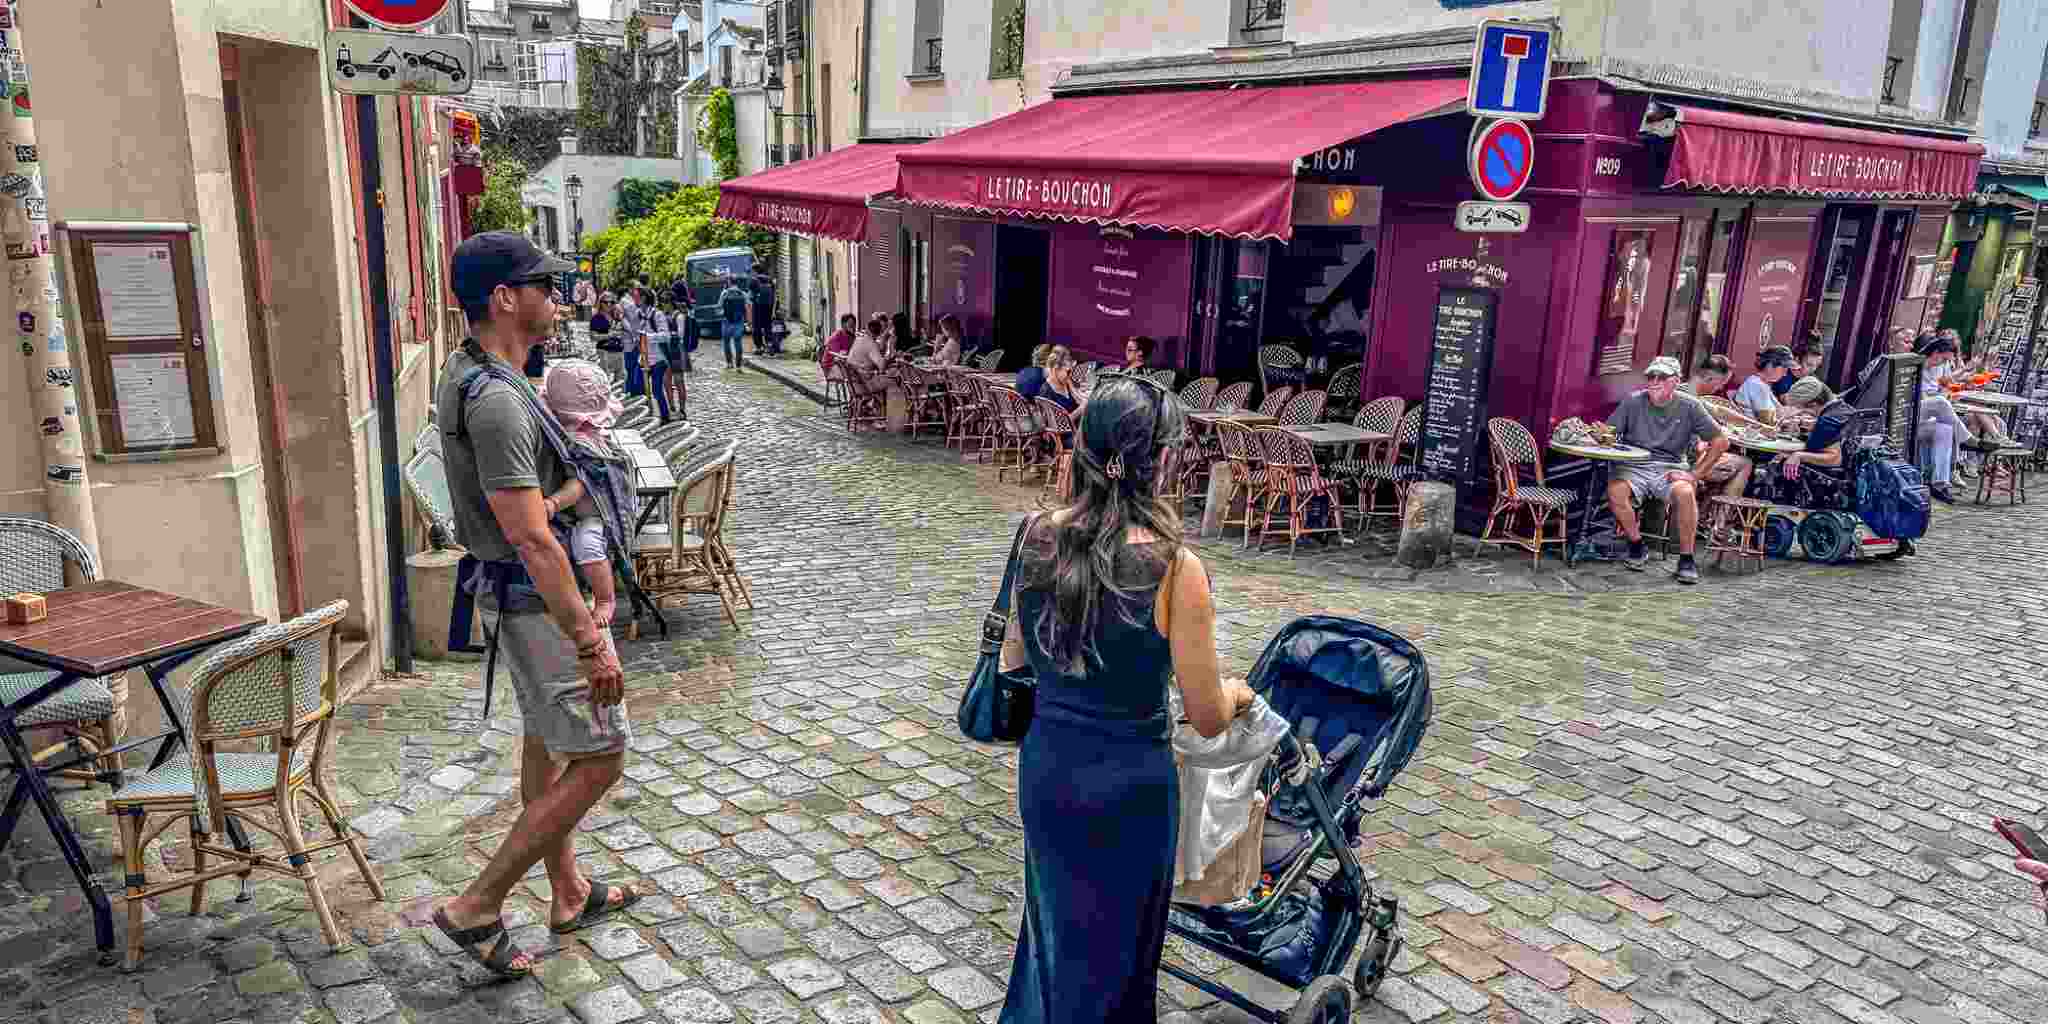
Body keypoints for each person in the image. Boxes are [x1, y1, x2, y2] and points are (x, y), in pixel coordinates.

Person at [996, 373, 1257, 1023]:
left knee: (1052, 942)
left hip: (1049, 772)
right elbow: (1204, 715)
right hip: (1131, 791)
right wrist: (1237, 693)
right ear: (1163, 463)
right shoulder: (1175, 568)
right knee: (1119, 963)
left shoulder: (1034, 537)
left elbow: (1014, 658)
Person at [431, 232, 632, 978]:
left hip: (513, 596)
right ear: (504, 299)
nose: (557, 297)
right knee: (603, 753)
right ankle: (477, 904)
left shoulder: (482, 373)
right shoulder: (497, 404)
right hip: (531, 599)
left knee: (547, 743)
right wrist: (591, 642)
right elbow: (535, 540)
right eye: (543, 285)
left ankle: (568, 889)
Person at [1607, 355, 1729, 584]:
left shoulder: (1689, 405)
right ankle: (1636, 545)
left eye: (1661, 377)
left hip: (1670, 467)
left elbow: (1721, 442)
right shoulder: (1633, 401)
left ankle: (1686, 559)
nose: (1653, 381)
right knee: (1616, 491)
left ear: (1675, 380)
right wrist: (1597, 435)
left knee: (1685, 492)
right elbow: (1608, 433)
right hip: (1635, 466)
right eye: (1650, 376)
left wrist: (1694, 474)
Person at [538, 360, 627, 627]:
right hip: (576, 513)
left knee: (586, 544)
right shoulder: (567, 435)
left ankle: (605, 598)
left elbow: (580, 485)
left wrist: (553, 503)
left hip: (596, 513)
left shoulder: (584, 442)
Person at [1915, 334, 1979, 504]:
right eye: (1943, 359)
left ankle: (1939, 483)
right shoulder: (1914, 365)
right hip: (1910, 416)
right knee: (1941, 402)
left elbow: (1942, 389)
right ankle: (1967, 439)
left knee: (1946, 429)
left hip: (1926, 419)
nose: (1943, 363)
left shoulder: (1935, 369)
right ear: (1935, 352)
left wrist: (1944, 392)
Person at [1734, 346, 1793, 426]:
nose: (1785, 374)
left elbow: (1781, 410)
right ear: (1770, 365)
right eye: (1784, 369)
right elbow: (1768, 421)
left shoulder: (1762, 384)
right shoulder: (1756, 385)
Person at [643, 301, 675, 424]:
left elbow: (665, 336)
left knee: (657, 389)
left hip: (658, 359)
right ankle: (647, 415)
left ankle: (665, 415)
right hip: (644, 359)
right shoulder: (638, 316)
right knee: (638, 386)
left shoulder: (657, 315)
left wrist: (647, 337)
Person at [718, 275, 750, 370]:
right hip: (739, 321)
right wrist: (748, 322)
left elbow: (719, 306)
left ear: (729, 282)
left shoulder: (724, 293)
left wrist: (722, 313)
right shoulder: (743, 293)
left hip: (726, 321)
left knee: (726, 342)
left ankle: (729, 363)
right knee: (738, 342)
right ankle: (739, 365)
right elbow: (748, 306)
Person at [821, 313, 857, 378]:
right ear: (843, 324)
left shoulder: (851, 336)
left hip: (842, 365)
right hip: (831, 367)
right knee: (857, 374)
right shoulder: (837, 336)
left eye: (854, 323)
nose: (853, 326)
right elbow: (839, 356)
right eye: (850, 323)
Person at [752, 270, 778, 356]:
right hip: (768, 307)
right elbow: (775, 295)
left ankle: (759, 348)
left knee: (757, 327)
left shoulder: (754, 281)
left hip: (757, 308)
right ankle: (770, 344)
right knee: (768, 326)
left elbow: (751, 296)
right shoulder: (770, 280)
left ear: (754, 270)